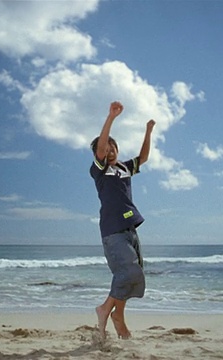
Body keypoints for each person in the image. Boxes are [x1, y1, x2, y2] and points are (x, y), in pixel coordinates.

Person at [90, 101, 155, 340]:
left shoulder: (125, 168)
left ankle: (118, 316)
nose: (109, 151)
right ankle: (106, 309)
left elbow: (144, 157)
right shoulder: (98, 171)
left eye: (111, 147)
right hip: (112, 231)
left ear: (117, 148)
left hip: (130, 229)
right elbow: (100, 147)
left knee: (131, 276)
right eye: (104, 148)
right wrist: (111, 117)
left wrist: (148, 131)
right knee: (129, 272)